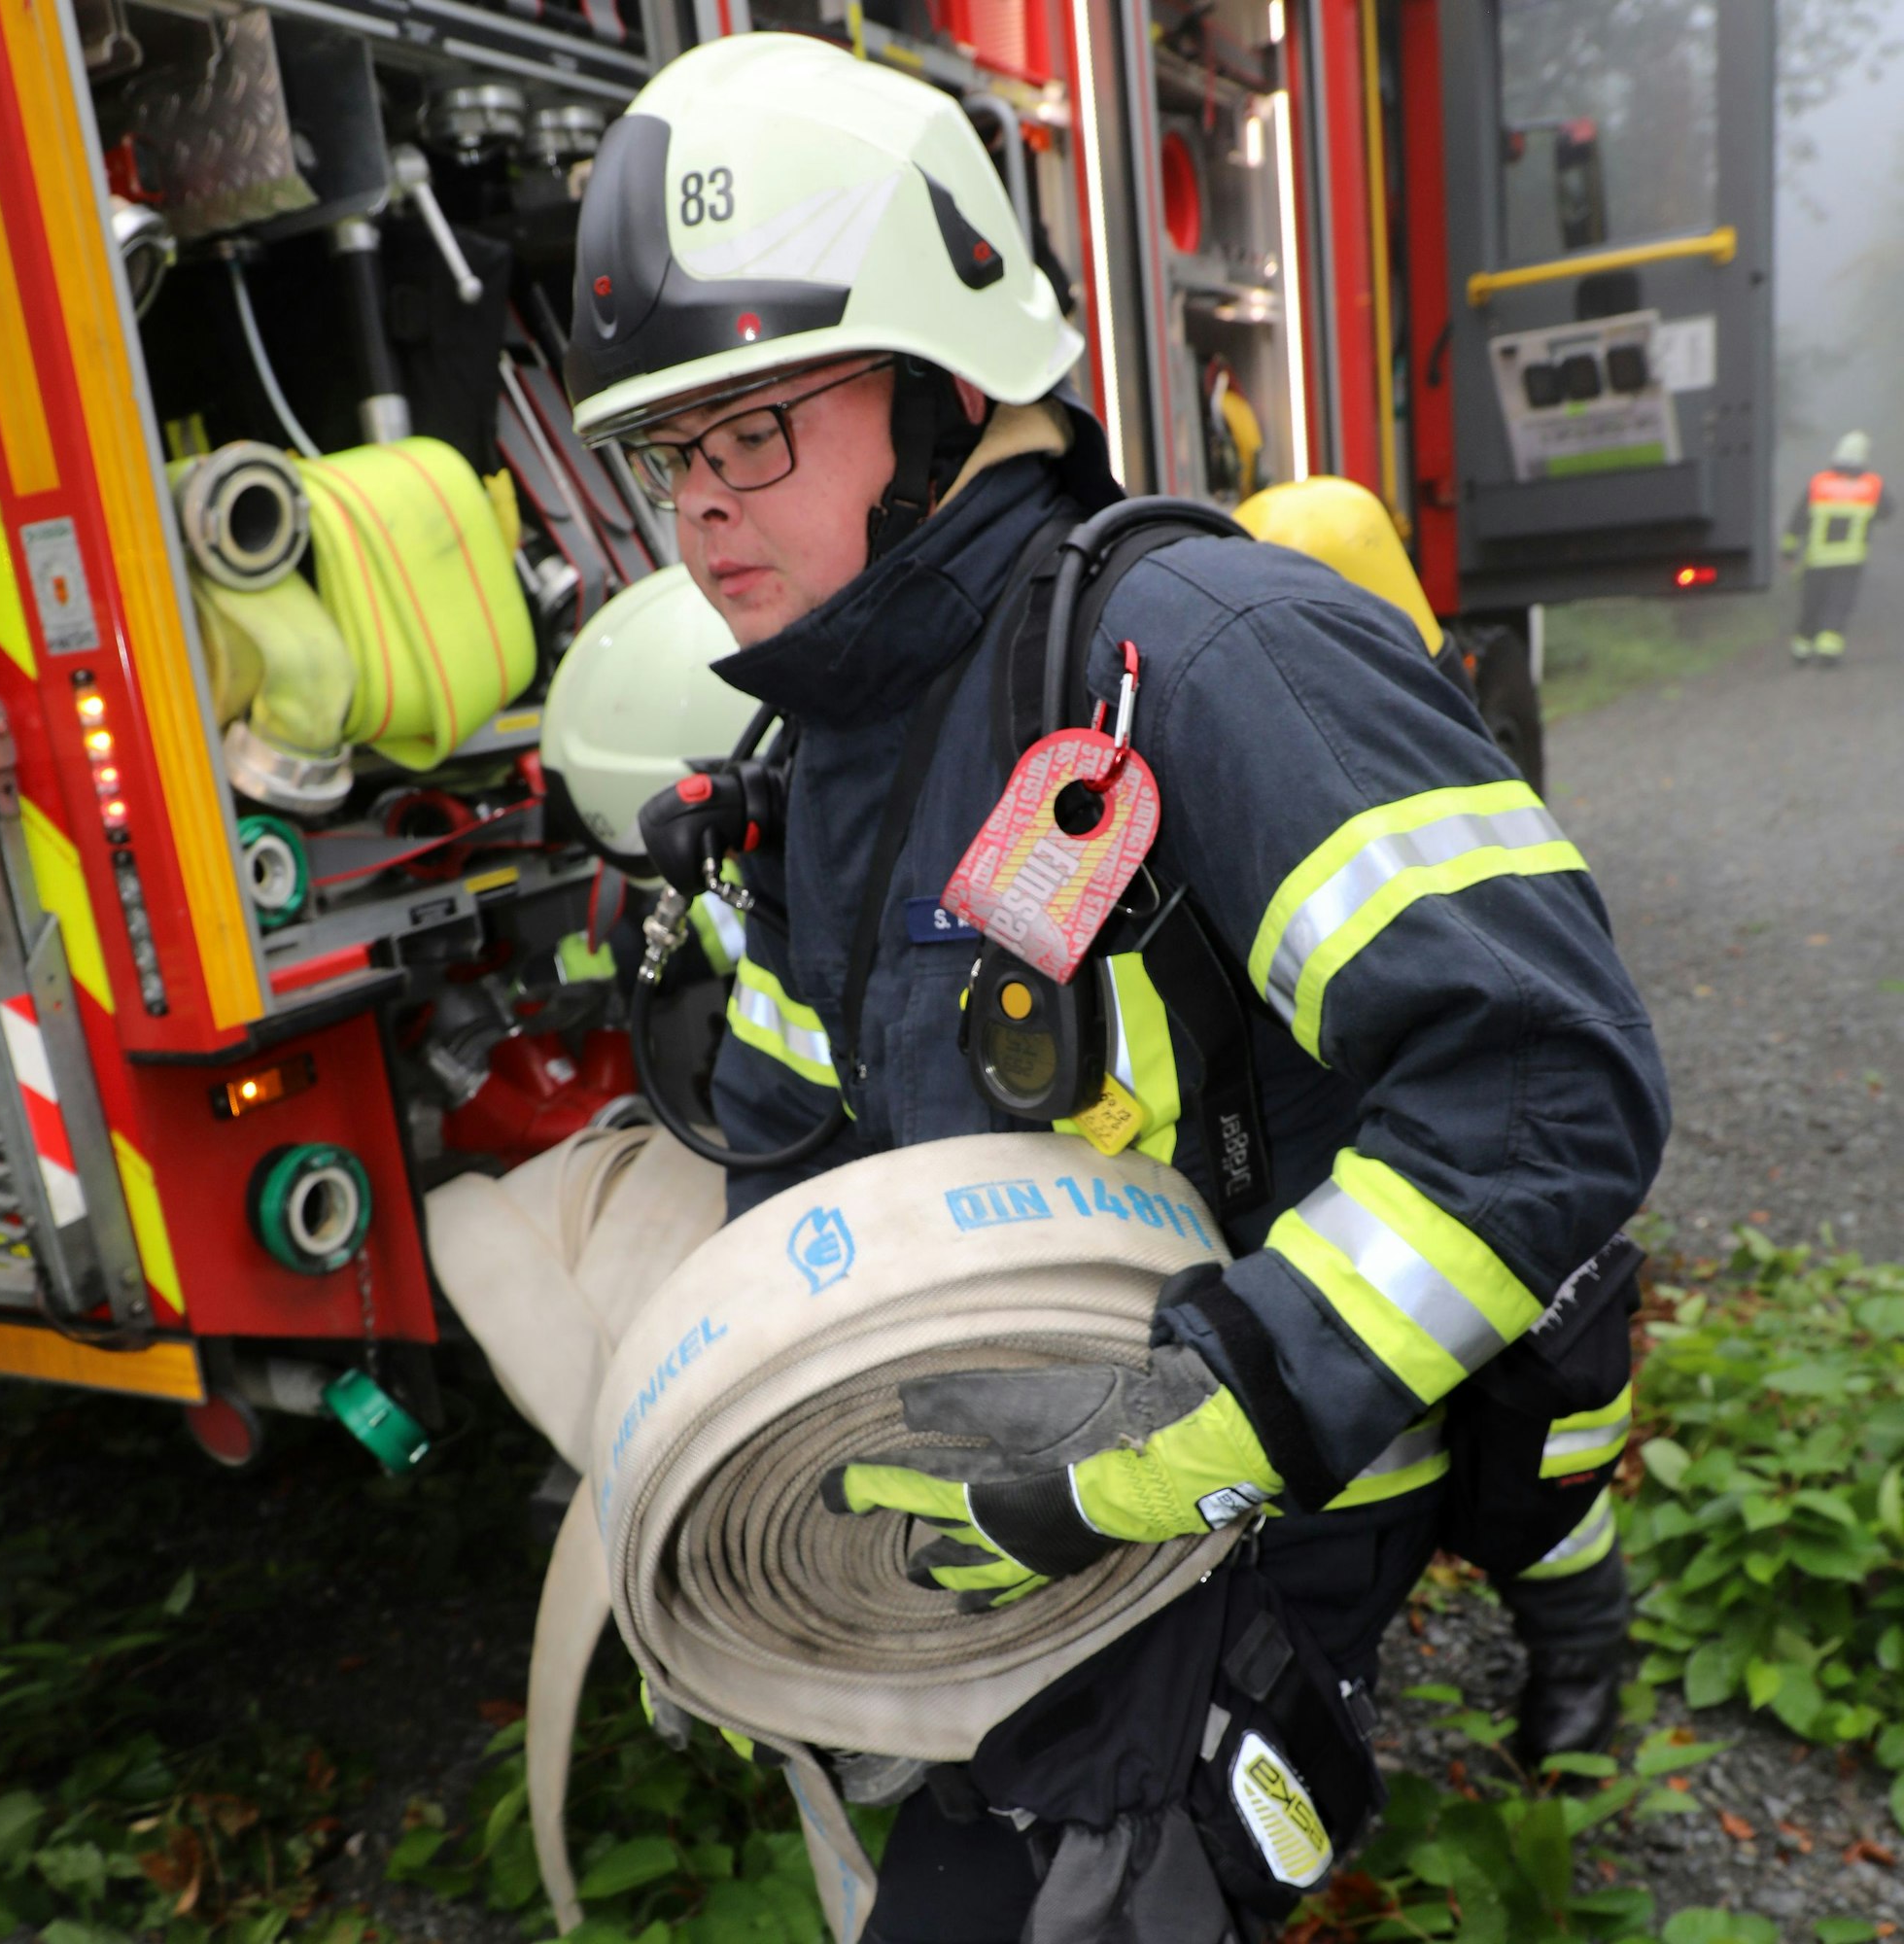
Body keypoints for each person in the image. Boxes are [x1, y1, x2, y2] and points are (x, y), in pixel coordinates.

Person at [567, 34, 1669, 1939]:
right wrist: (751, 1455)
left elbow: (1543, 1090)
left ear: (940, 384)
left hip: (1268, 1485)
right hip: (1032, 1490)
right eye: (665, 456)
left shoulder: (1203, 652)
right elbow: (796, 1117)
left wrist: (1159, 1435)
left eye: (747, 430)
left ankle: (1570, 1652)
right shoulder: (829, 747)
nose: (698, 509)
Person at [1783, 431, 1893, 665]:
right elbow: (1887, 511)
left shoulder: (1819, 483)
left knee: (1812, 603)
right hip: (1850, 560)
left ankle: (1801, 650)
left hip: (1817, 560)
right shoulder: (1872, 485)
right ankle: (1828, 651)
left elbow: (1798, 519)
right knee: (1839, 604)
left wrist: (1788, 550)